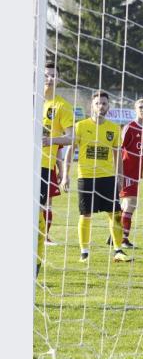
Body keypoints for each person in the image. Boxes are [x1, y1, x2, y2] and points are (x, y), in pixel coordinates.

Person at [62, 91, 132, 263]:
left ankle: (118, 250)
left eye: (104, 103)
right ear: (91, 106)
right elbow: (70, 152)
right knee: (85, 215)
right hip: (86, 177)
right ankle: (84, 253)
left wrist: (120, 176)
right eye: (97, 103)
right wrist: (65, 176)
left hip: (107, 177)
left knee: (115, 213)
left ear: (108, 106)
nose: (101, 106)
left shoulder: (114, 129)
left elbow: (118, 155)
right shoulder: (80, 126)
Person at [38, 62, 74, 275]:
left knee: (37, 214)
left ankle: (36, 258)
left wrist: (49, 140)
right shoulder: (32, 100)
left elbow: (71, 138)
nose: (49, 78)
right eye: (46, 75)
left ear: (58, 79)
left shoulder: (62, 106)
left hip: (42, 166)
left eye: (53, 75)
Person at [116, 99, 143, 248]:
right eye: (141, 107)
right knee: (131, 203)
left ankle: (115, 234)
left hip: (136, 173)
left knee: (126, 204)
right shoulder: (129, 127)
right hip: (126, 171)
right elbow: (119, 150)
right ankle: (123, 240)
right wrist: (119, 172)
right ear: (135, 109)